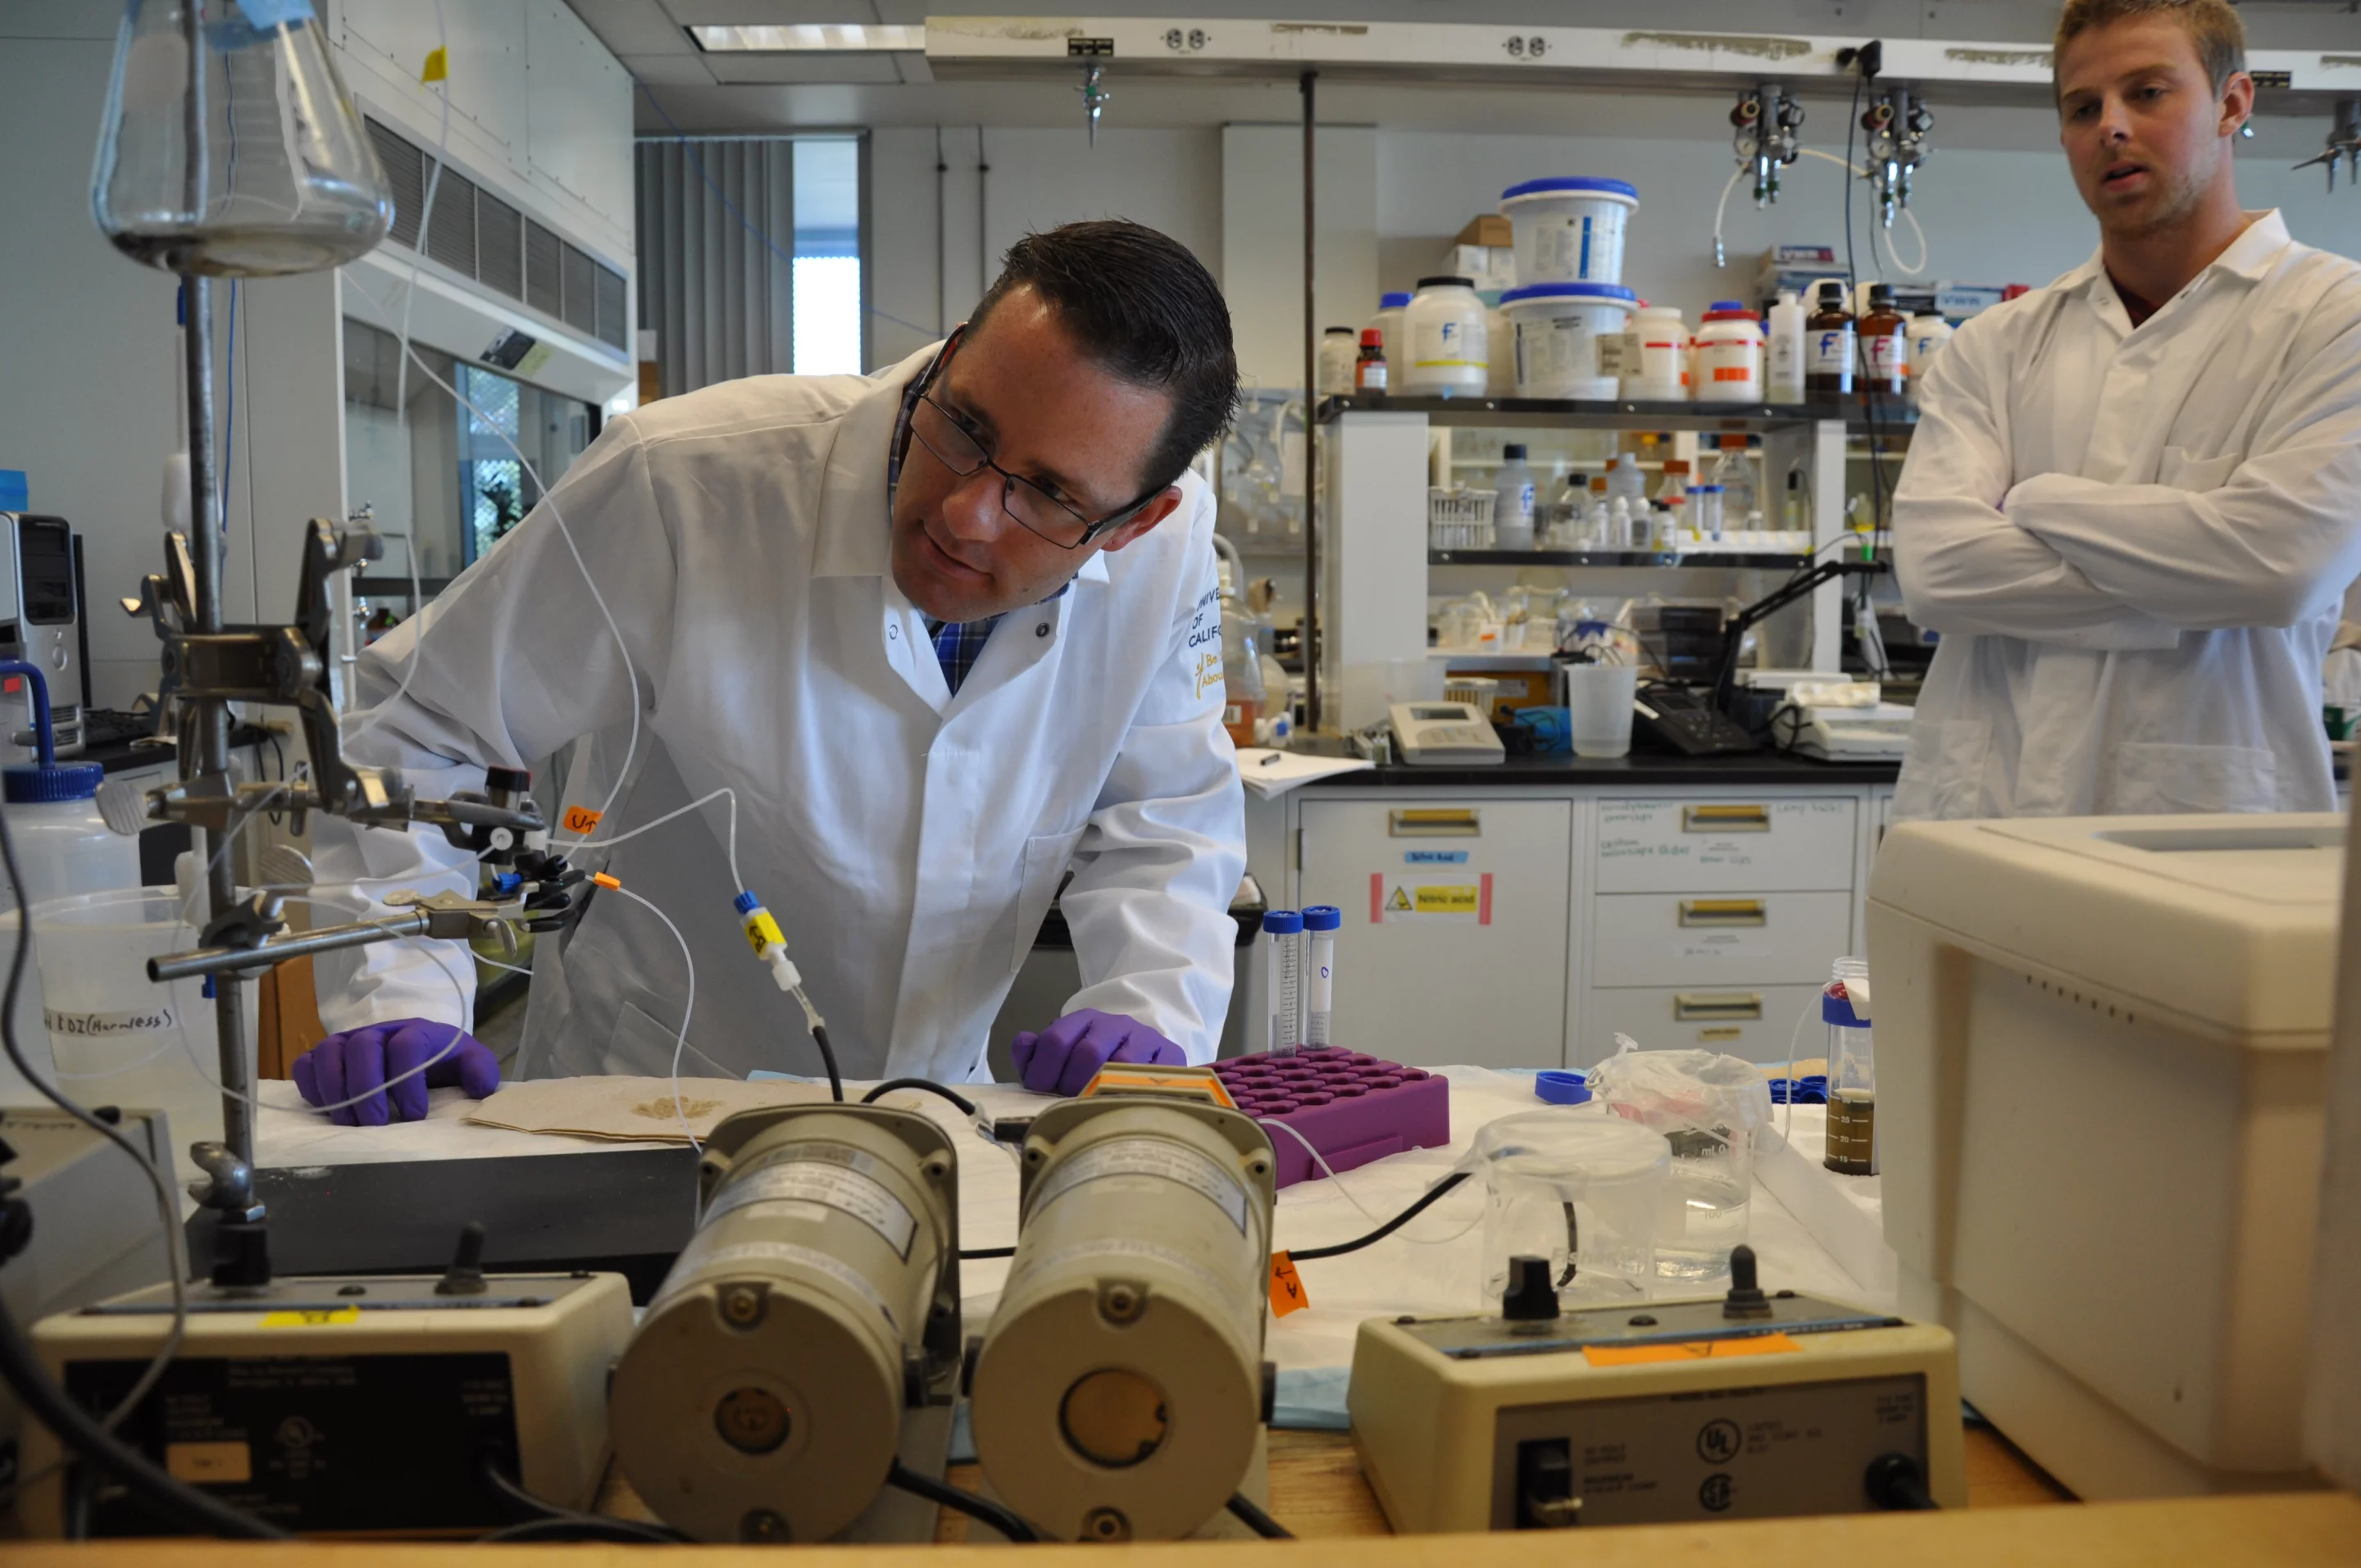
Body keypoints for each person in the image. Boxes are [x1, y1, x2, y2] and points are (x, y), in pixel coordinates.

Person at [291, 220, 1248, 1124]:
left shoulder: (1168, 556)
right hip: (648, 1104)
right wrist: (398, 989)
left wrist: (1150, 1006)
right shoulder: (685, 482)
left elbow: (1165, 818)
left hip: (934, 1113)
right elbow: (417, 722)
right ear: (951, 357)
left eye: (1045, 493)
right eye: (964, 425)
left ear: (1135, 522)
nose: (967, 512)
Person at [1890, 0, 2361, 821]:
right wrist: (2190, 576)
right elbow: (1937, 573)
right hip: (1981, 820)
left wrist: (2036, 500)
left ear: (2232, 103)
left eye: (2147, 93)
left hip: (2205, 827)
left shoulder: (2333, 318)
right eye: (2082, 108)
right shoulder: (1995, 344)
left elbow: (2280, 566)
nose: (2110, 126)